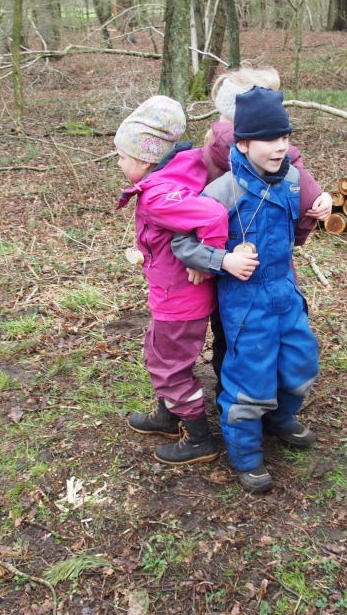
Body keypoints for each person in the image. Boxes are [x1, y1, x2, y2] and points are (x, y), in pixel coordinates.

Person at [172, 87, 321, 492]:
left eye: (286, 137)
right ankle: (246, 454)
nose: (281, 147)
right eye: (270, 139)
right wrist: (224, 261)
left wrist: (316, 212)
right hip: (246, 303)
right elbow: (183, 244)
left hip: (285, 295)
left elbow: (297, 235)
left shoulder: (292, 180)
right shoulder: (222, 192)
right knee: (249, 378)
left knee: (302, 364)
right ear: (243, 143)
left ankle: (279, 418)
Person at [114, 95, 257, 465]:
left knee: (169, 365)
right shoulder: (176, 172)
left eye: (123, 157)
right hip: (173, 293)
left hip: (178, 300)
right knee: (158, 353)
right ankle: (169, 414)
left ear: (145, 159)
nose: (118, 163)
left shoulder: (158, 195)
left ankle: (197, 437)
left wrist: (207, 258)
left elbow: (210, 215)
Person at [197, 65, 332, 401]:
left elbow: (190, 209)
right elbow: (304, 208)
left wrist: (206, 254)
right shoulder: (280, 157)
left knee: (234, 335)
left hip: (229, 269)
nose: (279, 145)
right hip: (259, 266)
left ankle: (236, 397)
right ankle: (251, 406)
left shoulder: (210, 149)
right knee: (263, 338)